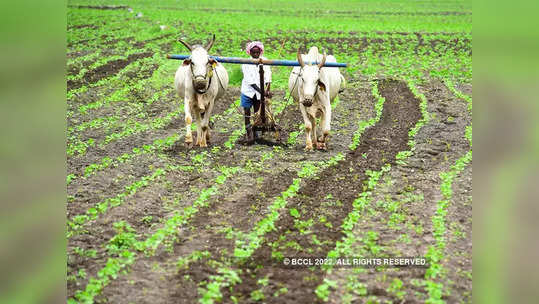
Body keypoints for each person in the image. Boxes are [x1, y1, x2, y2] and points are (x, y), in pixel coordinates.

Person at [240, 41, 272, 144]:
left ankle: (256, 131)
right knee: (247, 111)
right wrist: (263, 92)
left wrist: (267, 89)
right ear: (250, 52)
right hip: (248, 91)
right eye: (253, 53)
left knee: (257, 112)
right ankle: (249, 131)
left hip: (260, 93)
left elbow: (268, 76)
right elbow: (250, 81)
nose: (255, 55)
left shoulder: (265, 61)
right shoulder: (245, 63)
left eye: (257, 52)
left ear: (260, 52)